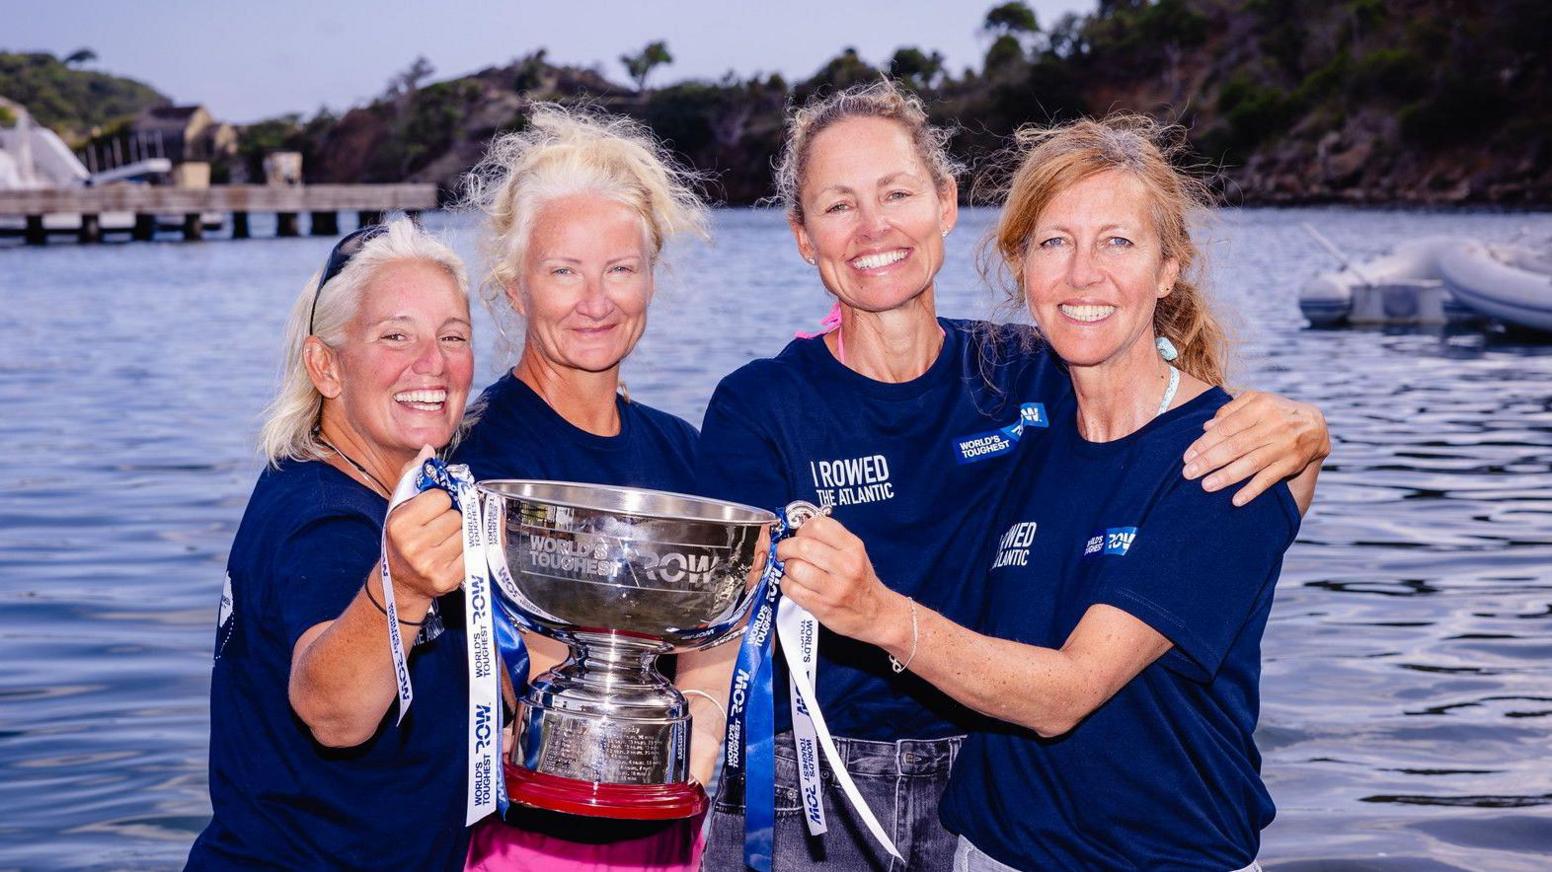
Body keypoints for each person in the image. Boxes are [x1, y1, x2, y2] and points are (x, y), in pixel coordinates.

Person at [695, 81, 1329, 871]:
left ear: (947, 204)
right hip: (870, 798)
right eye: (1055, 243)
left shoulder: (1038, 381)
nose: (873, 227)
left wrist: (1302, 433)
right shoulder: (769, 404)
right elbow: (713, 622)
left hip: (1016, 790)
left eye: (896, 192)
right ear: (800, 235)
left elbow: (1075, 680)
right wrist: (688, 760)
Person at [455, 104, 723, 872]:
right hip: (528, 838)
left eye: (620, 269)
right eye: (563, 271)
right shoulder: (476, 452)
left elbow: (713, 645)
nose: (596, 301)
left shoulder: (683, 455)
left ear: (651, 277)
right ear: (515, 288)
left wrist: (696, 741)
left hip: (670, 829)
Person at [187, 219, 477, 870]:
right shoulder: (329, 522)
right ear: (326, 365)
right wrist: (398, 587)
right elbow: (330, 710)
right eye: (394, 336)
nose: (432, 363)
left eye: (452, 337)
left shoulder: (313, 476)